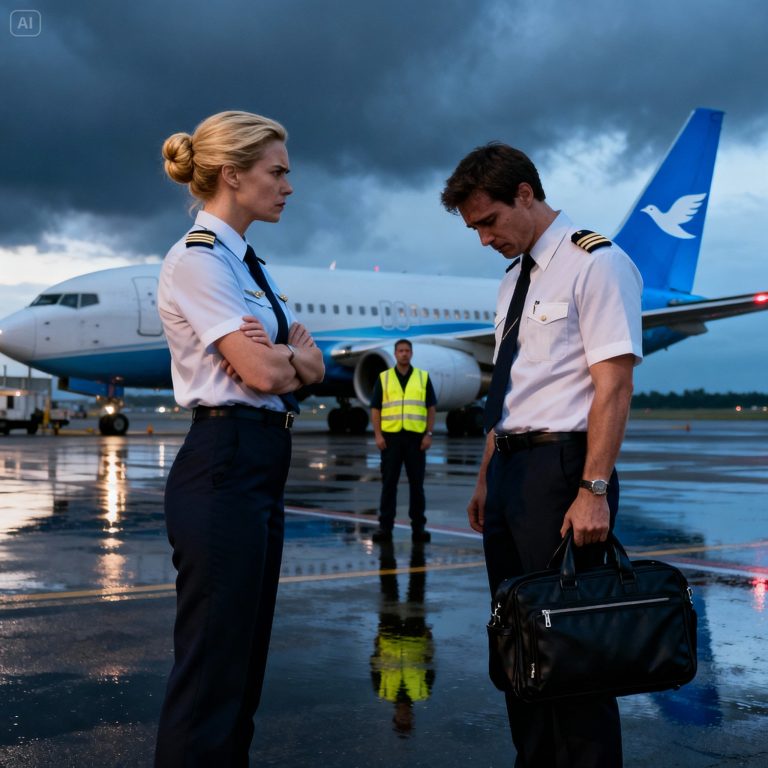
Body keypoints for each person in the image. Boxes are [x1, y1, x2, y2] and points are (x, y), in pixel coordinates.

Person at [441, 143, 643, 768]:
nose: (483, 238)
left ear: (525, 194)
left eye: (489, 221)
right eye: (474, 227)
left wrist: (595, 489)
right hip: (509, 473)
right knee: (518, 641)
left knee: (572, 645)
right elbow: (510, 389)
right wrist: (483, 479)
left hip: (564, 472)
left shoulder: (596, 264)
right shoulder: (511, 282)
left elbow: (612, 385)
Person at [155, 110, 324, 767]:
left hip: (261, 460)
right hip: (223, 461)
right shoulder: (199, 261)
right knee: (211, 675)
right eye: (276, 172)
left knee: (243, 668)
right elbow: (264, 369)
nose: (288, 185)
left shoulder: (249, 267)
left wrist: (293, 365)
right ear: (232, 174)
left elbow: (309, 368)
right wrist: (290, 362)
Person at [370, 339, 437, 543]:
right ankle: (385, 528)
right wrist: (378, 435)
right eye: (400, 351)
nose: (404, 354)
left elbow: (431, 407)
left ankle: (419, 528)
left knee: (417, 486)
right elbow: (376, 408)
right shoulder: (384, 378)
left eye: (407, 350)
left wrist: (429, 434)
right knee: (388, 484)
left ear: (412, 353)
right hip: (391, 439)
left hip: (416, 439)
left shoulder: (422, 377)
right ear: (395, 353)